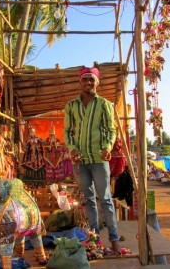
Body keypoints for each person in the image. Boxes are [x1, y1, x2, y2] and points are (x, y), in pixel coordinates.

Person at [63, 65, 120, 254]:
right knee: (88, 200)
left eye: (91, 79)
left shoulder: (104, 104)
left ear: (97, 82)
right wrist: (72, 149)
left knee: (105, 199)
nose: (88, 82)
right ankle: (94, 237)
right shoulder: (71, 106)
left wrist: (107, 147)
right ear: (80, 82)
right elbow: (67, 132)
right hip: (79, 161)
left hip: (99, 158)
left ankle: (114, 239)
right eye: (85, 79)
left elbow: (111, 130)